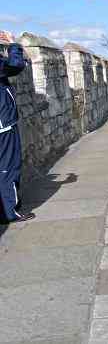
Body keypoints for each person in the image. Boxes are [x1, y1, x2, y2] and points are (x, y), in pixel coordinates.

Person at [0, 31, 35, 223]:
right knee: (7, 167)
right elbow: (16, 64)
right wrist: (13, 44)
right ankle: (10, 212)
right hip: (3, 126)